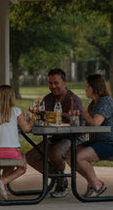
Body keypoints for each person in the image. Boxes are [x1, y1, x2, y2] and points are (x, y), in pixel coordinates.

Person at [24, 68, 84, 198]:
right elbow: (42, 116)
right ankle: (59, 178)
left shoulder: (73, 99)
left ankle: (61, 181)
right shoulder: (48, 98)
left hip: (71, 137)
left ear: (64, 82)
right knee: (30, 157)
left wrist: (61, 116)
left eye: (56, 83)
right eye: (50, 83)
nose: (53, 86)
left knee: (55, 153)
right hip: (53, 136)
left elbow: (78, 123)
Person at [74, 73, 113, 197]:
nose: (85, 89)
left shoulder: (105, 102)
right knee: (70, 153)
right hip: (98, 141)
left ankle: (97, 185)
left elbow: (96, 123)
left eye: (87, 86)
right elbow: (87, 123)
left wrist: (84, 113)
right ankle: (93, 182)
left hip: (112, 143)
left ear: (95, 87)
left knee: (80, 157)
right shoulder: (93, 104)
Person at [0, 84, 32, 200]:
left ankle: (1, 189)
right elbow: (26, 129)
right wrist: (33, 119)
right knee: (22, 167)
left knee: (9, 167)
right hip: (10, 152)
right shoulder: (16, 111)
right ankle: (2, 181)